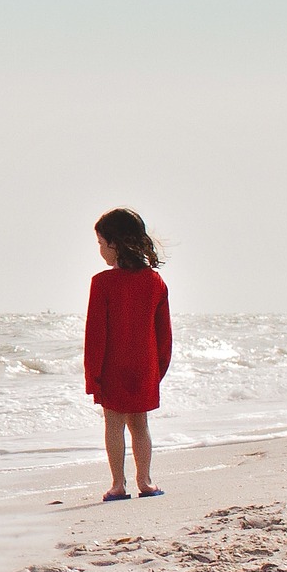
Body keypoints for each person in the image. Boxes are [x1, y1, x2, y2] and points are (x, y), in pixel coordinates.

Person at [84, 208, 172, 501]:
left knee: (113, 424)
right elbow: (164, 335)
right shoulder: (155, 282)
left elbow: (96, 336)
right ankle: (145, 482)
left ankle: (118, 484)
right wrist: (158, 370)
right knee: (140, 425)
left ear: (115, 243)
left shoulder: (102, 283)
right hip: (145, 367)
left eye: (100, 243)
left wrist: (92, 375)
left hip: (113, 368)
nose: (99, 251)